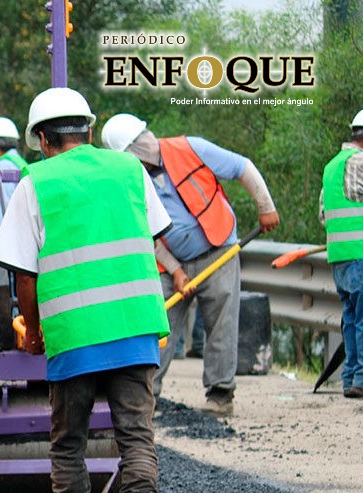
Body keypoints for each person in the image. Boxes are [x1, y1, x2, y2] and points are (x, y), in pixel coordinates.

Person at [0, 88, 171, 493]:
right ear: (90, 132)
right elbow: (152, 234)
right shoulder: (129, 170)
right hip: (135, 328)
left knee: (69, 442)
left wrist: (33, 332)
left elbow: (24, 275)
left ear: (43, 139)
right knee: (137, 441)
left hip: (74, 333)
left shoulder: (36, 182)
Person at [101, 113, 280, 417]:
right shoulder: (130, 180)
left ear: (136, 149)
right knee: (158, 324)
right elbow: (147, 234)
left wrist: (267, 207)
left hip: (218, 250)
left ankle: (220, 395)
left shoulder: (191, 148)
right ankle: (146, 396)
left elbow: (242, 167)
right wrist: (176, 271)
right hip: (170, 263)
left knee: (221, 321)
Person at [320, 108, 363, 399]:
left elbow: (323, 215)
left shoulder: (332, 167)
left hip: (340, 256)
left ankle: (352, 376)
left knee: (352, 318)